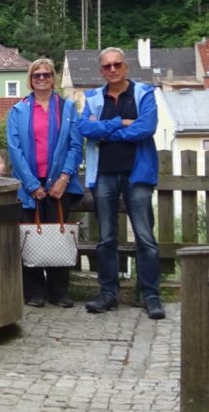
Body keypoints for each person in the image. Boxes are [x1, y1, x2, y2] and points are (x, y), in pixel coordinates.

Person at [78, 47, 165, 320]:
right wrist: (120, 123)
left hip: (137, 174)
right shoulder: (94, 98)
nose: (113, 69)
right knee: (106, 238)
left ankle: (150, 295)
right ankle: (108, 293)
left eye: (117, 64)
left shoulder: (143, 94)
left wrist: (106, 131)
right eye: (107, 66)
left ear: (126, 66)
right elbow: (85, 128)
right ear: (101, 70)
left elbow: (146, 127)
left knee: (145, 238)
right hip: (104, 174)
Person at [7, 59, 84, 308]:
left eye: (46, 74)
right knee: (30, 237)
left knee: (58, 236)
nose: (41, 78)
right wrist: (31, 185)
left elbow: (75, 145)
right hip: (29, 185)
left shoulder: (67, 108)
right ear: (30, 79)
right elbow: (14, 150)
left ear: (53, 78)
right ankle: (34, 292)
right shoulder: (18, 110)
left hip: (59, 185)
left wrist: (64, 178)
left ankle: (59, 292)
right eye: (36, 75)